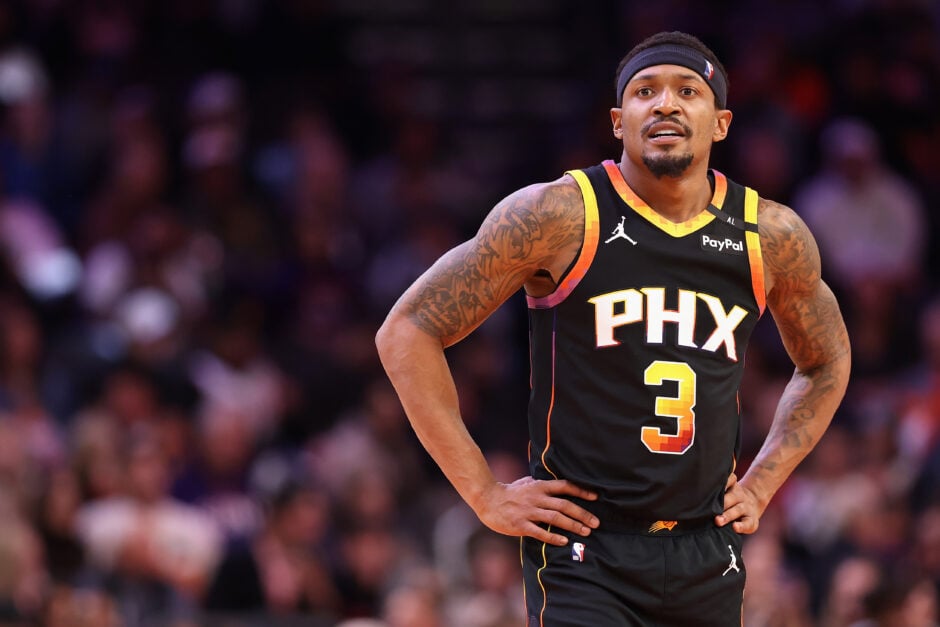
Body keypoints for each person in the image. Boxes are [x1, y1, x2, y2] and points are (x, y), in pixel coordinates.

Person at [376, 30, 851, 626]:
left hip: (706, 548)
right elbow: (407, 329)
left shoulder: (770, 236)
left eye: (688, 91)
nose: (666, 104)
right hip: (585, 550)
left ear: (722, 122)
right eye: (645, 91)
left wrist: (761, 483)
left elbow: (826, 361)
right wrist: (484, 493)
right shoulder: (557, 214)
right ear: (618, 121)